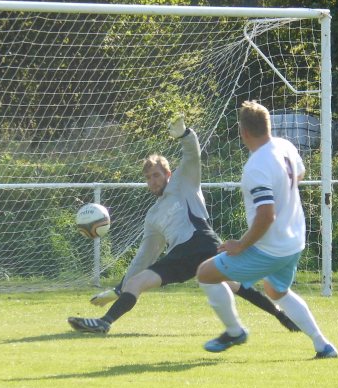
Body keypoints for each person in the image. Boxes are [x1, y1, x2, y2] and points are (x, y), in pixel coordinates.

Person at [67, 115, 299, 334]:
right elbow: (145, 256)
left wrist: (186, 134)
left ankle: (282, 317)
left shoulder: (183, 181)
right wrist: (120, 288)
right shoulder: (152, 216)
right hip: (180, 255)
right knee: (137, 282)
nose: (152, 181)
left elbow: (191, 154)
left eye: (156, 175)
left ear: (168, 173)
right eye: (148, 178)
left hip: (203, 243)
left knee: (235, 285)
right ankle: (104, 323)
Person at [196, 100, 338, 359]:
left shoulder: (256, 166)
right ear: (267, 126)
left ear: (244, 132)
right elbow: (300, 174)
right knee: (276, 291)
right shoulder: (285, 146)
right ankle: (323, 345)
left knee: (205, 273)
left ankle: (234, 331)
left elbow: (266, 215)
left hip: (269, 248)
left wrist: (240, 245)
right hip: (293, 241)